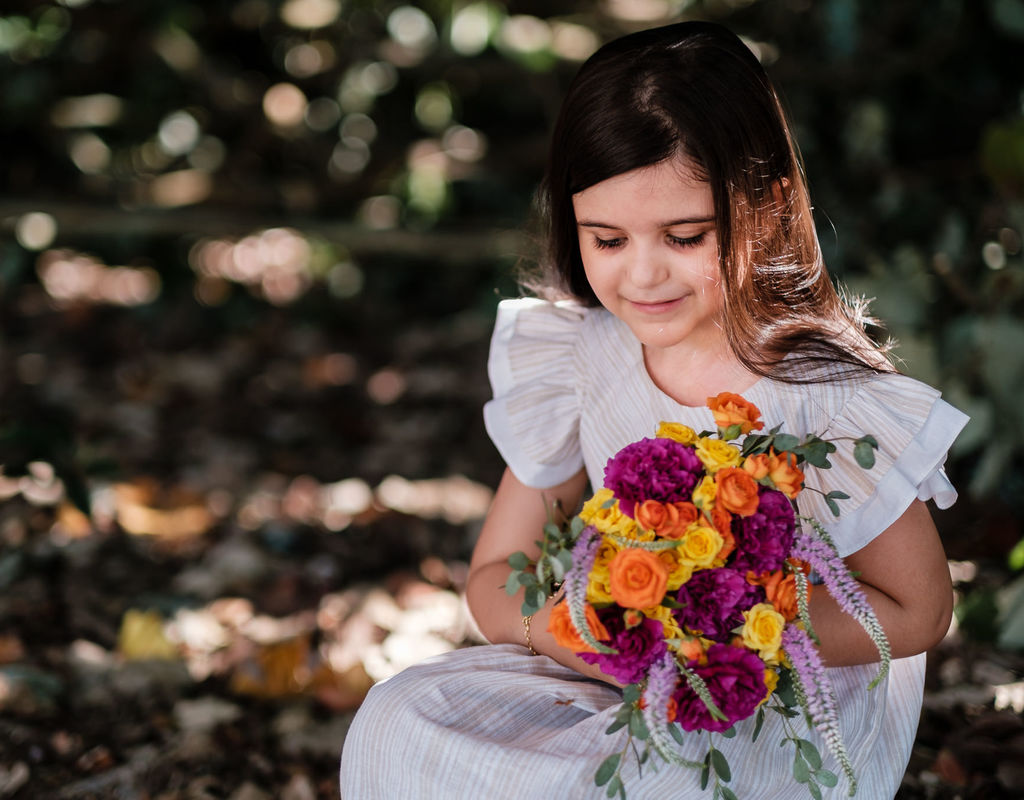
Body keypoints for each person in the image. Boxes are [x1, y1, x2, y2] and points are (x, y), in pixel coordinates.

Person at [340, 21, 967, 799]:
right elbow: (495, 576)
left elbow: (919, 612)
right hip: (616, 677)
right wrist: (590, 640)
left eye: (685, 235)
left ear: (762, 206)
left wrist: (735, 635)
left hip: (774, 705)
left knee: (662, 785)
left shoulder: (826, 398)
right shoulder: (584, 354)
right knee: (398, 717)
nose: (643, 274)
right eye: (607, 240)